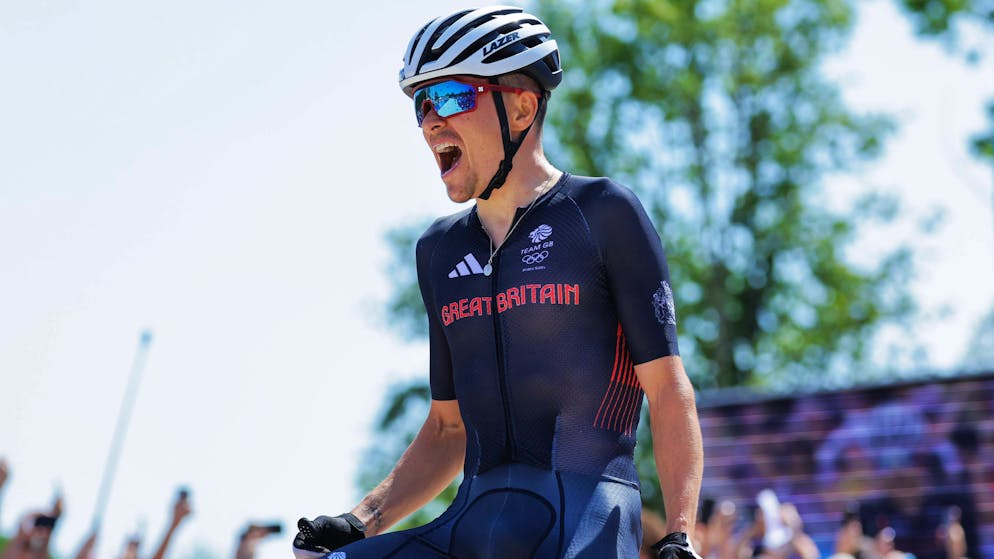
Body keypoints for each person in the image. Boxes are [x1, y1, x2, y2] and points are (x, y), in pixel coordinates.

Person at [293, 6, 703, 558]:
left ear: (522, 108)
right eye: (423, 104)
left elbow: (668, 391)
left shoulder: (604, 213)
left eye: (455, 96)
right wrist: (361, 519)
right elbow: (446, 429)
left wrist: (679, 535)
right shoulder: (438, 250)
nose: (433, 120)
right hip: (471, 522)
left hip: (587, 523)